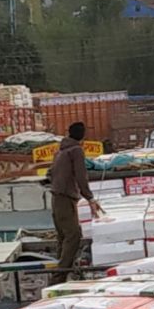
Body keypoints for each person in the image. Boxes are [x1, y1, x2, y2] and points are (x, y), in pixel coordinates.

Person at [49, 121, 101, 284]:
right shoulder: (76, 151)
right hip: (65, 198)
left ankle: (61, 269)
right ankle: (59, 277)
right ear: (83, 135)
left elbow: (50, 173)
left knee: (63, 236)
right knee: (74, 235)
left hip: (56, 198)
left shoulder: (60, 151)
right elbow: (81, 176)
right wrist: (90, 198)